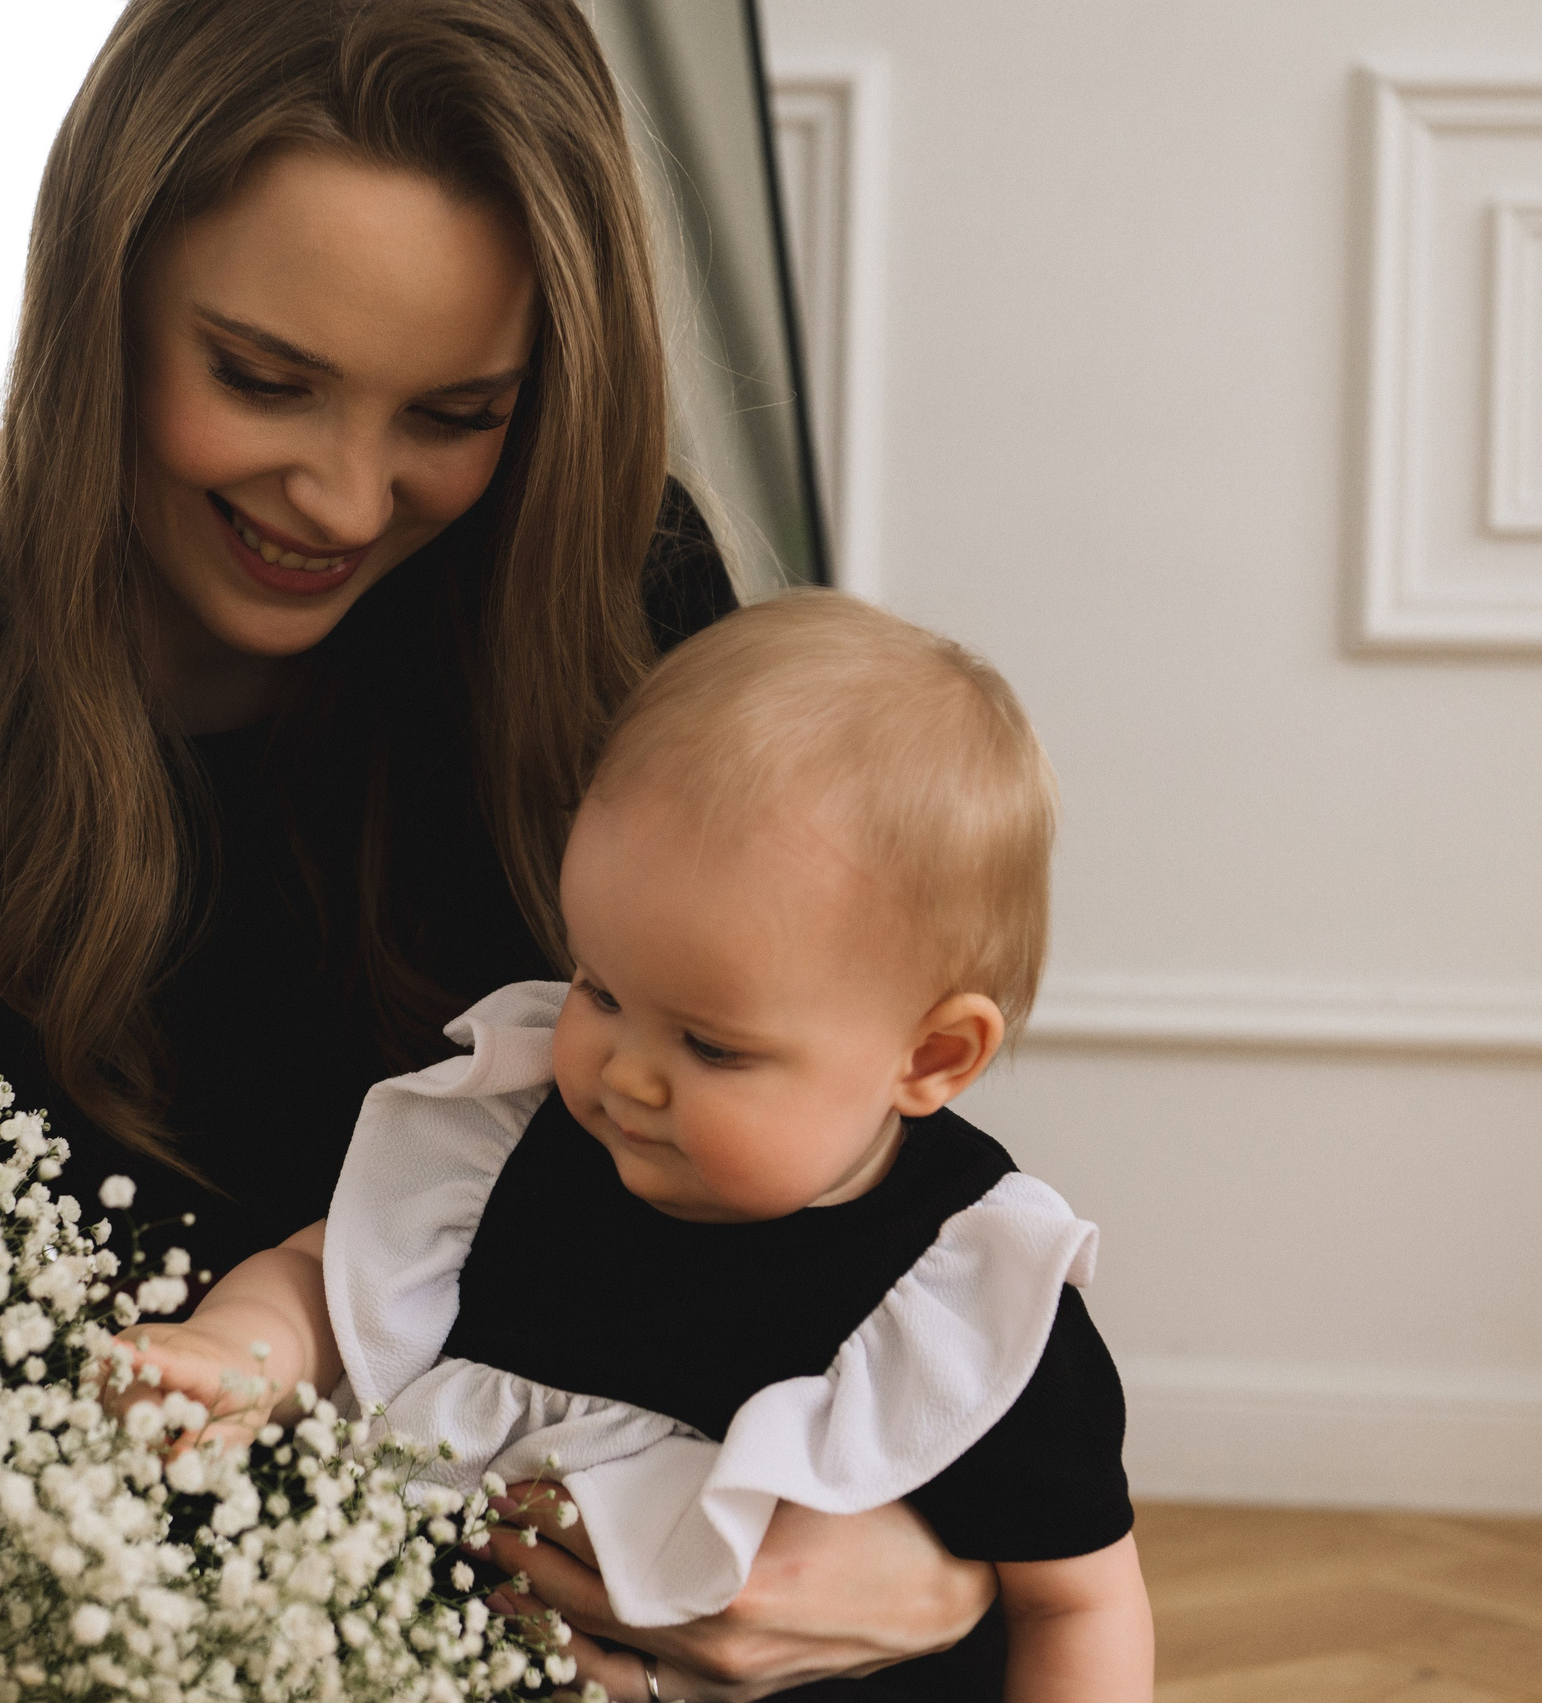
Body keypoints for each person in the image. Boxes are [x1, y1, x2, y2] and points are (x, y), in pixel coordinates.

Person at [0, 2, 992, 1694]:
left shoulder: (610, 590)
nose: (349, 501)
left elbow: (837, 1152)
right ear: (104, 295)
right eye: (262, 379)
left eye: (455, 411)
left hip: (602, 1567)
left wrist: (930, 1561)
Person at [125, 592, 1155, 1701]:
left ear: (932, 1054)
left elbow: (1078, 1601)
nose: (623, 1070)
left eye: (710, 1045)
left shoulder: (961, 1303)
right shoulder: (518, 1144)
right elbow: (325, 1279)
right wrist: (231, 1351)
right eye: (599, 987)